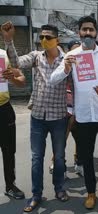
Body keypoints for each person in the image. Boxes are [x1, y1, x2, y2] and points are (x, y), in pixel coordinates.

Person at [51, 15, 98, 209]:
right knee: (86, 157)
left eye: (91, 29)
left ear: (96, 32)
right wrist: (65, 67)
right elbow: (53, 79)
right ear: (79, 33)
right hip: (83, 116)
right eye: (84, 30)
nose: (88, 33)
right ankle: (91, 193)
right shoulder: (72, 56)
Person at [3, 22, 69, 212]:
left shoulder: (67, 60)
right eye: (41, 37)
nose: (43, 40)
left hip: (58, 117)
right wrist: (9, 41)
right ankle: (36, 195)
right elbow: (16, 63)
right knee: (36, 158)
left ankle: (59, 189)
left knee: (59, 158)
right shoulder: (35, 57)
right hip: (38, 117)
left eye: (48, 37)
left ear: (57, 39)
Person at [48, 39, 83, 176]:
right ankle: (57, 164)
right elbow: (53, 80)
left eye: (78, 50)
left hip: (79, 109)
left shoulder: (85, 65)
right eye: (73, 50)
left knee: (81, 139)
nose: (76, 54)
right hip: (64, 108)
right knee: (61, 139)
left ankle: (79, 162)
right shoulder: (63, 65)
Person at [0, 43, 25, 200]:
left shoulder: (3, 55)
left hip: (4, 109)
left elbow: (21, 79)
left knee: (9, 151)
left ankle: (10, 185)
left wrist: (13, 78)